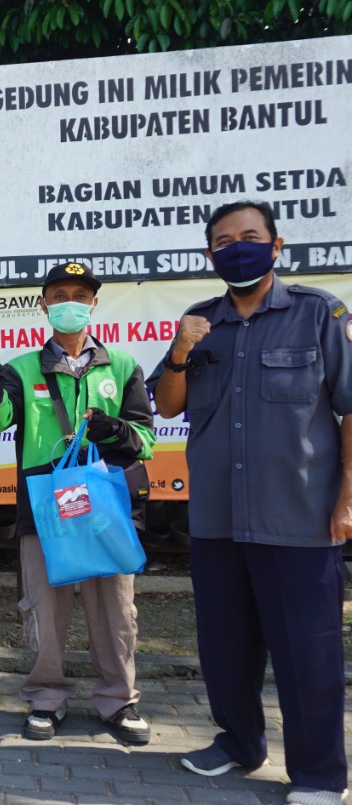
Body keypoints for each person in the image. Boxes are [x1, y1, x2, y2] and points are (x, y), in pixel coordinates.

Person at [153, 202, 350, 805]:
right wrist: (180, 350)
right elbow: (167, 404)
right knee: (225, 647)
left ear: (276, 244)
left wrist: (347, 498)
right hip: (217, 520)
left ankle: (319, 774)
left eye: (250, 236)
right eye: (224, 241)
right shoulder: (199, 321)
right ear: (209, 254)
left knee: (308, 652)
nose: (237, 247)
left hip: (300, 519)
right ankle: (240, 743)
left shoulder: (318, 314)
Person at [0, 262, 153, 745]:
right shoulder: (21, 368)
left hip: (106, 510)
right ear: (44, 304)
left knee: (116, 611)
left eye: (79, 295)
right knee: (45, 612)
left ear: (93, 303)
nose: (69, 303)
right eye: (58, 295)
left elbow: (147, 439)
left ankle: (118, 699)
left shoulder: (122, 365)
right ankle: (46, 698)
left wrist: (115, 430)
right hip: (46, 509)